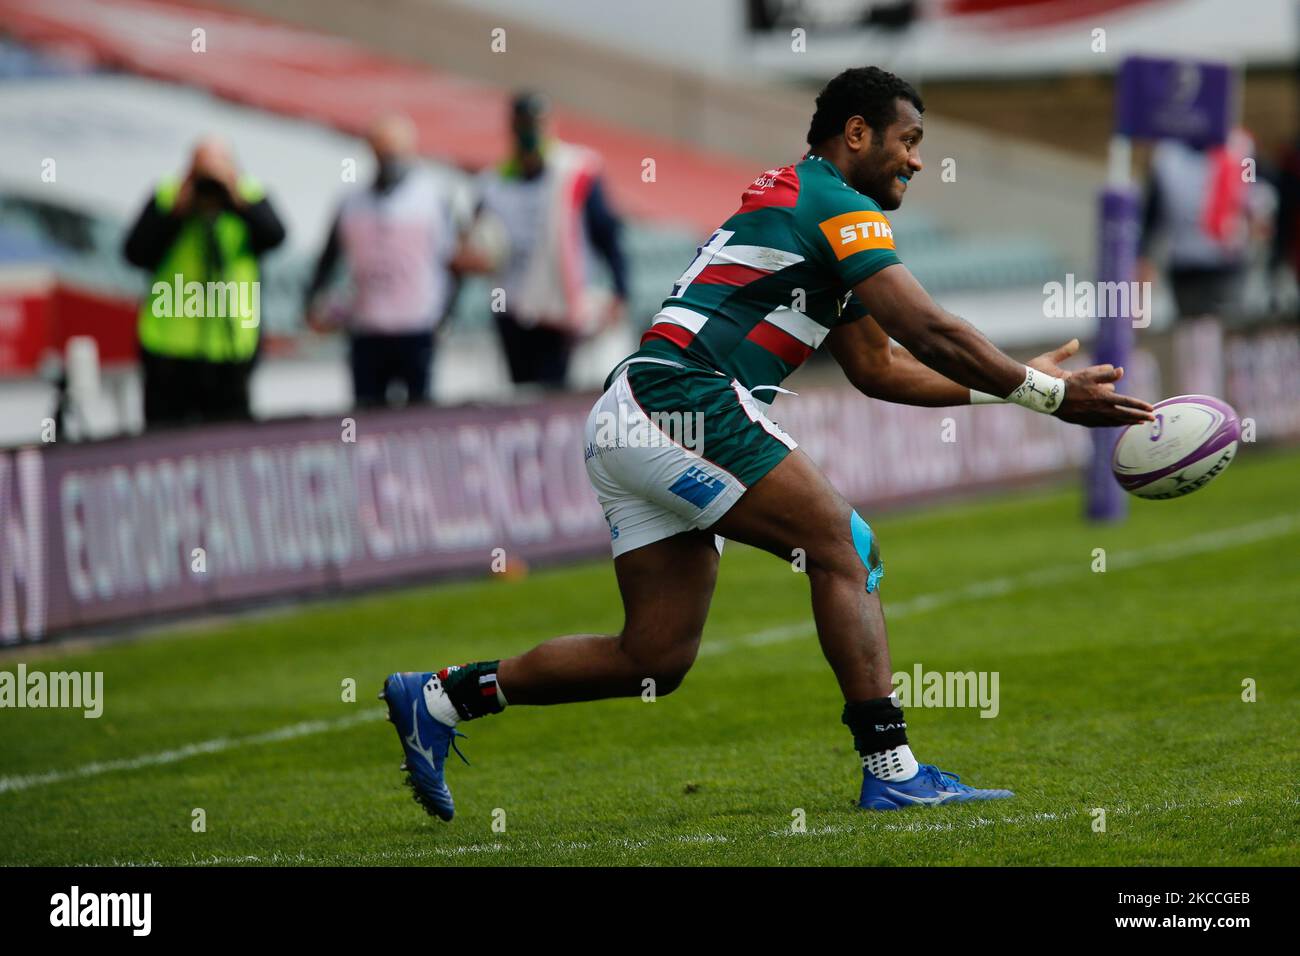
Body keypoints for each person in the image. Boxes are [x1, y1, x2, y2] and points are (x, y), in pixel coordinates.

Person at [379, 67, 1154, 820]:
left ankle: (443, 697)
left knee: (654, 657)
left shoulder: (808, 205)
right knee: (845, 549)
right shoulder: (836, 202)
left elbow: (879, 366)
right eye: (909, 140)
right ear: (858, 133)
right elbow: (929, 328)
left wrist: (1009, 386)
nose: (918, 160)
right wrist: (1045, 393)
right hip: (683, 397)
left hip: (634, 409)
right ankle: (894, 771)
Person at [123, 137, 285, 427]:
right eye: (203, 171)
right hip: (169, 351)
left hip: (230, 348)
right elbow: (135, 253)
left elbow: (275, 236)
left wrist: (237, 200)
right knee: (165, 441)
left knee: (229, 441)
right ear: (188, 170)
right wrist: (176, 212)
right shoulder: (167, 197)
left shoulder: (248, 196)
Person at [472, 91, 629, 388]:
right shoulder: (493, 184)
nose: (530, 131)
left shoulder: (573, 172)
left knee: (553, 388)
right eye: (524, 123)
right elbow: (474, 244)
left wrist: (620, 290)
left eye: (537, 122)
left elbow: (606, 232)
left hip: (558, 308)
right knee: (521, 389)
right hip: (513, 307)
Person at [305, 114, 462, 407]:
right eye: (382, 152)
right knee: (367, 415)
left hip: (417, 328)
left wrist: (447, 316)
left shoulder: (433, 200)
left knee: (419, 416)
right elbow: (328, 258)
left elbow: (454, 264)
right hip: (367, 329)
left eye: (395, 153)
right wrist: (313, 303)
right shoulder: (351, 202)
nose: (389, 161)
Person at [1138, 128, 1268, 321]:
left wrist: (1256, 212)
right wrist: (1144, 255)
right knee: (1191, 328)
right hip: (1185, 264)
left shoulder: (1240, 147)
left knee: (1225, 326)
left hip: (1228, 263)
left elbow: (1252, 187)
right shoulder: (1168, 155)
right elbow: (1153, 212)